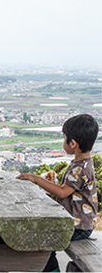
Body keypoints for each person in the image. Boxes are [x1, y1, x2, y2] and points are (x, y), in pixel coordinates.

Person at [16, 114, 99, 272]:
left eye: (64, 138)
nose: (63, 141)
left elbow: (62, 193)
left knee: (43, 244)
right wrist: (53, 183)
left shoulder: (80, 168)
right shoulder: (83, 163)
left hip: (78, 227)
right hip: (79, 223)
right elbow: (68, 193)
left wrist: (36, 179)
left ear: (73, 143)